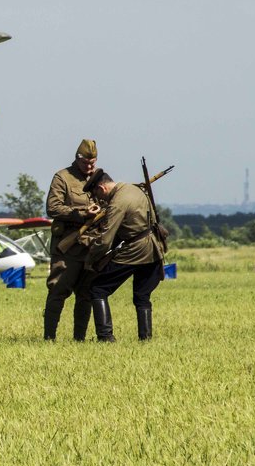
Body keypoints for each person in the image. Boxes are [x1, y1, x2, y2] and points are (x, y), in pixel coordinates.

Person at [84, 170, 167, 342]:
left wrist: (90, 259)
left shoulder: (117, 203)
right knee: (142, 296)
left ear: (101, 188)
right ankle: (146, 339)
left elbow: (106, 239)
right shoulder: (136, 190)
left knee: (98, 289)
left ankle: (105, 338)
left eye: (96, 194)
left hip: (134, 251)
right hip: (153, 248)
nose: (98, 200)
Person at [44, 138, 101, 341]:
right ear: (77, 158)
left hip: (90, 245)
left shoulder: (99, 177)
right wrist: (82, 212)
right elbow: (53, 208)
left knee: (85, 294)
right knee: (58, 290)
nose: (90, 166)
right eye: (86, 162)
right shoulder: (62, 178)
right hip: (67, 245)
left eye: (93, 162)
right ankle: (49, 338)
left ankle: (80, 339)